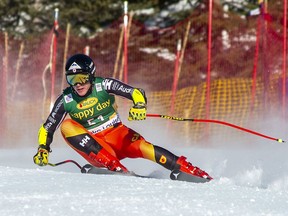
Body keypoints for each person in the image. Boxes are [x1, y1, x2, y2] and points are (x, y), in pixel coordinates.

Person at [33, 53, 212, 180]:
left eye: (82, 78)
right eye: (72, 80)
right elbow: (47, 127)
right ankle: (113, 165)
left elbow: (135, 92)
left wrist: (139, 106)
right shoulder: (66, 98)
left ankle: (187, 169)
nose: (78, 84)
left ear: (91, 76)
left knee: (145, 147)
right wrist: (43, 149)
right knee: (66, 126)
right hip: (96, 146)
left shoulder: (103, 85)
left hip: (117, 134)